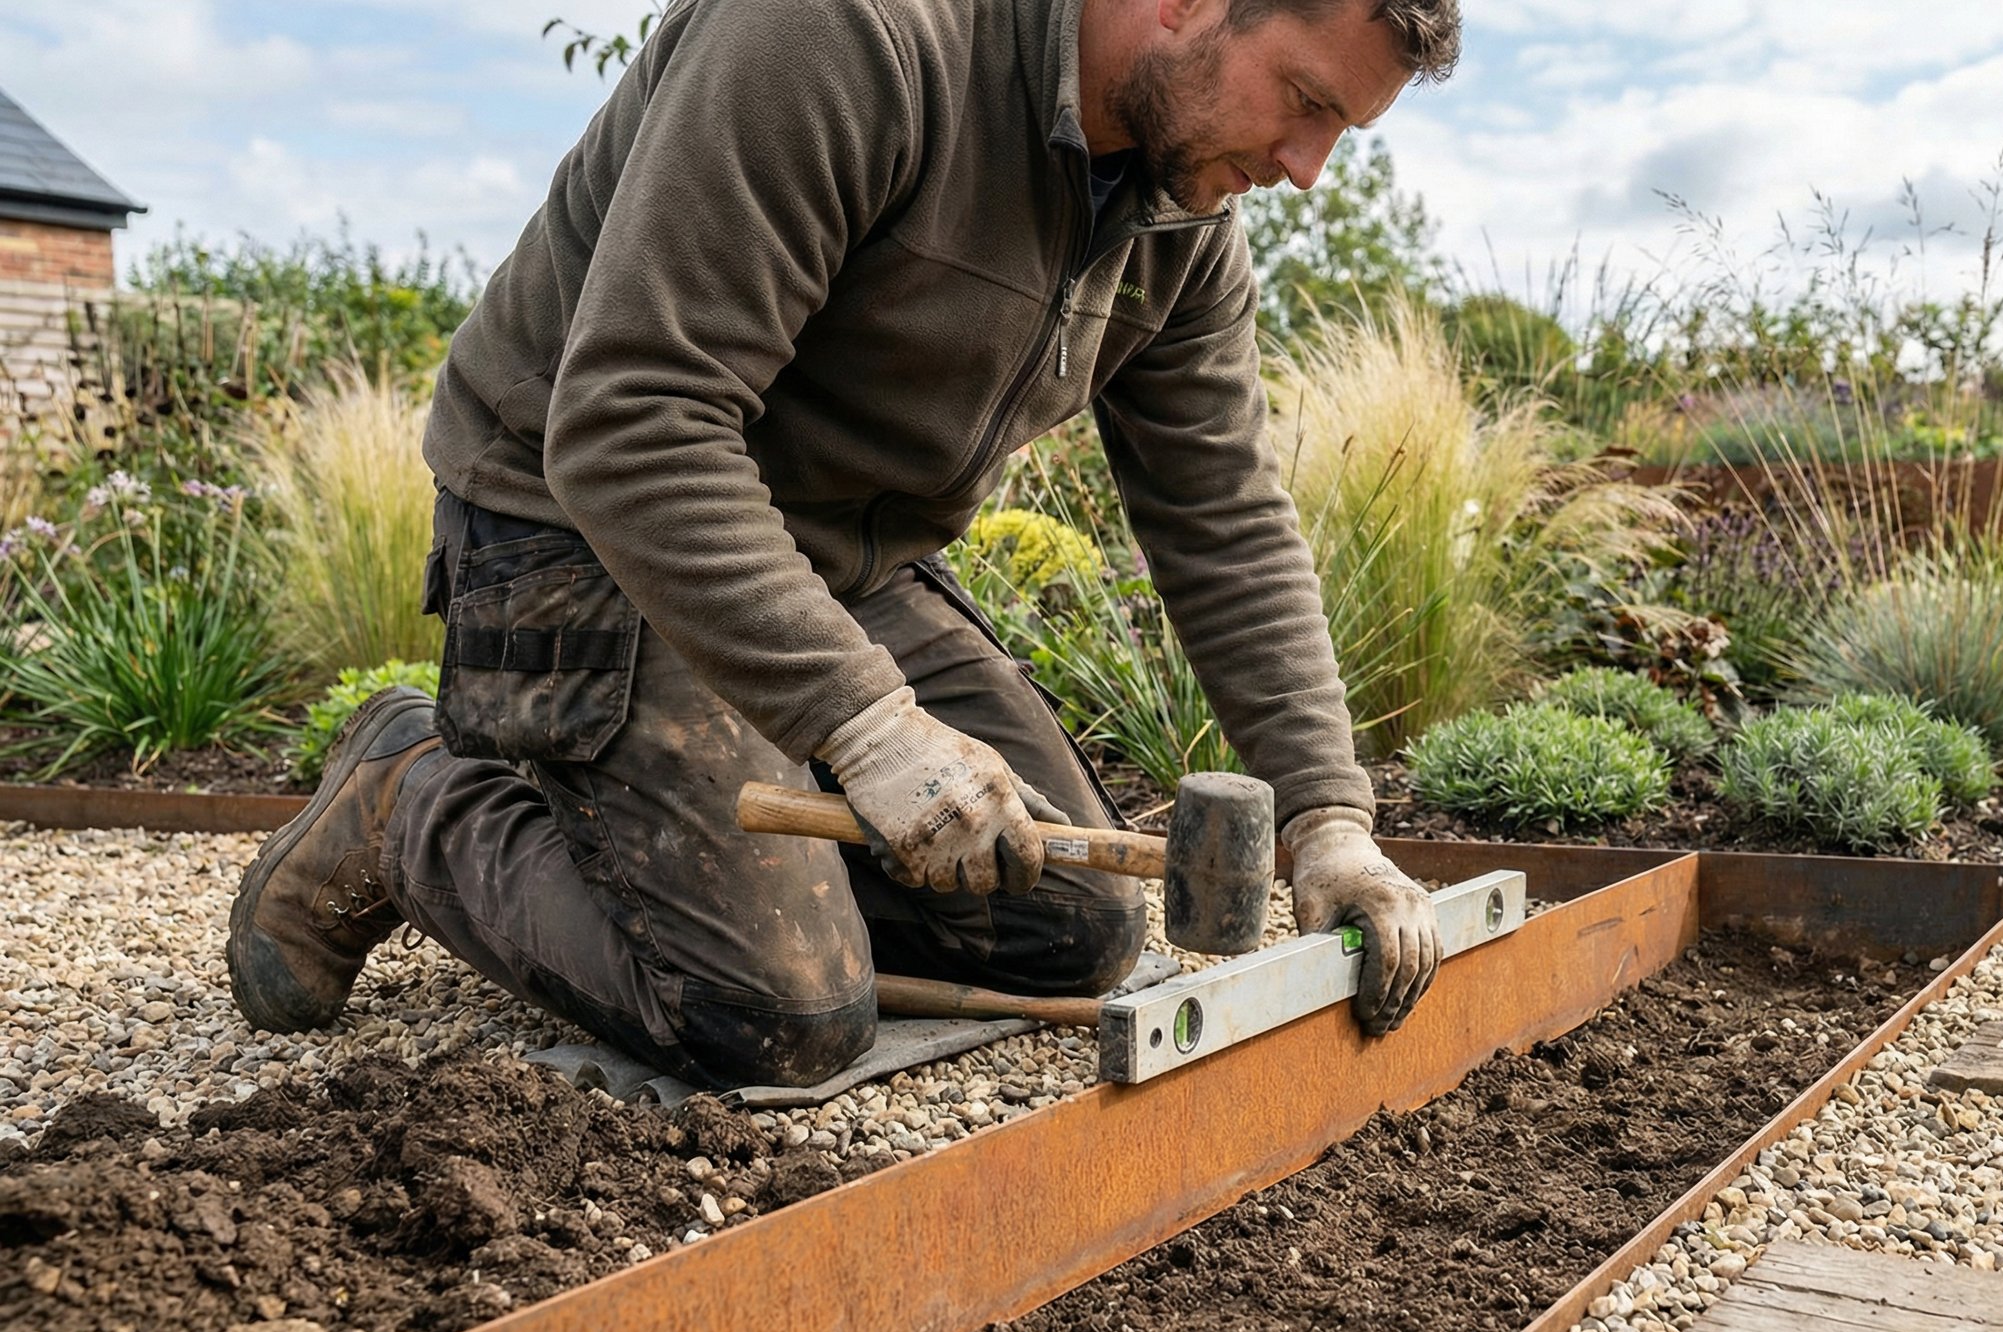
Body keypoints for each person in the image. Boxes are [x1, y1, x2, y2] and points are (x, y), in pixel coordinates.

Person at [224, 0, 1463, 1090]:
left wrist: (1326, 817)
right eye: (1303, 102)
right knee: (773, 1017)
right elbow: (630, 425)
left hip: (824, 562)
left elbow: (1224, 519)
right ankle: (412, 795)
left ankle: (710, 855)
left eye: (1339, 132)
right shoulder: (846, 33)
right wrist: (865, 725)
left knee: (1072, 928)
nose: (1305, 168)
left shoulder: (1177, 214)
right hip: (582, 524)